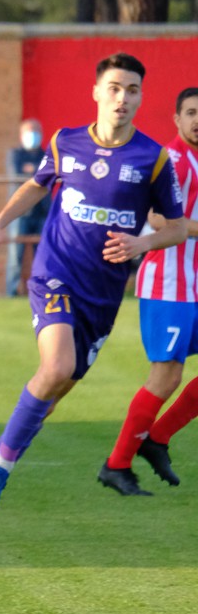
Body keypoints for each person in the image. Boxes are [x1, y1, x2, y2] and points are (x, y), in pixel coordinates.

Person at [0, 52, 186, 542]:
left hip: (103, 296)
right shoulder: (66, 143)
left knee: (56, 387)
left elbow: (179, 225)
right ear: (96, 93)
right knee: (57, 368)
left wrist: (143, 243)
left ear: (140, 97)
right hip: (55, 274)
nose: (122, 98)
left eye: (131, 90)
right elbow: (36, 186)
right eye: (113, 88)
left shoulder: (153, 159)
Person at [102, 87, 198, 494]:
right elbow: (156, 217)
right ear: (176, 119)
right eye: (191, 112)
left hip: (194, 284)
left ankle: (156, 440)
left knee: (171, 376)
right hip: (169, 284)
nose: (197, 120)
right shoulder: (172, 160)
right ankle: (117, 464)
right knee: (165, 376)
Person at [5, 118, 50, 297]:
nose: (33, 136)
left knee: (42, 255)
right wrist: (36, 174)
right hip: (20, 213)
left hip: (42, 211)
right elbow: (18, 173)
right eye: (29, 132)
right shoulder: (15, 155)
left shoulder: (45, 155)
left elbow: (45, 176)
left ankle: (40, 291)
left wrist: (32, 172)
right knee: (16, 256)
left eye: (35, 131)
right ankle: (11, 292)